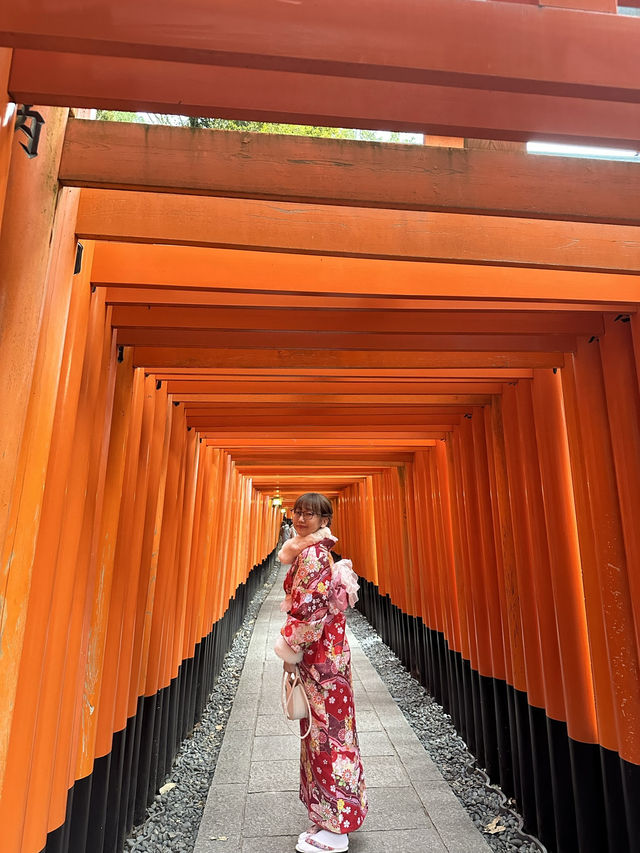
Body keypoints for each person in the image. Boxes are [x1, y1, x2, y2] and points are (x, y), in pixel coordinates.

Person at [274, 493, 368, 853]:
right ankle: (328, 816)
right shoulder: (312, 550)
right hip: (328, 657)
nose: (301, 518)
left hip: (319, 660)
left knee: (328, 737)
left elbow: (308, 614)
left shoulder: (312, 555)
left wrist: (290, 649)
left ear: (324, 518)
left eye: (310, 513)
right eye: (298, 512)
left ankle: (336, 828)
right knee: (326, 733)